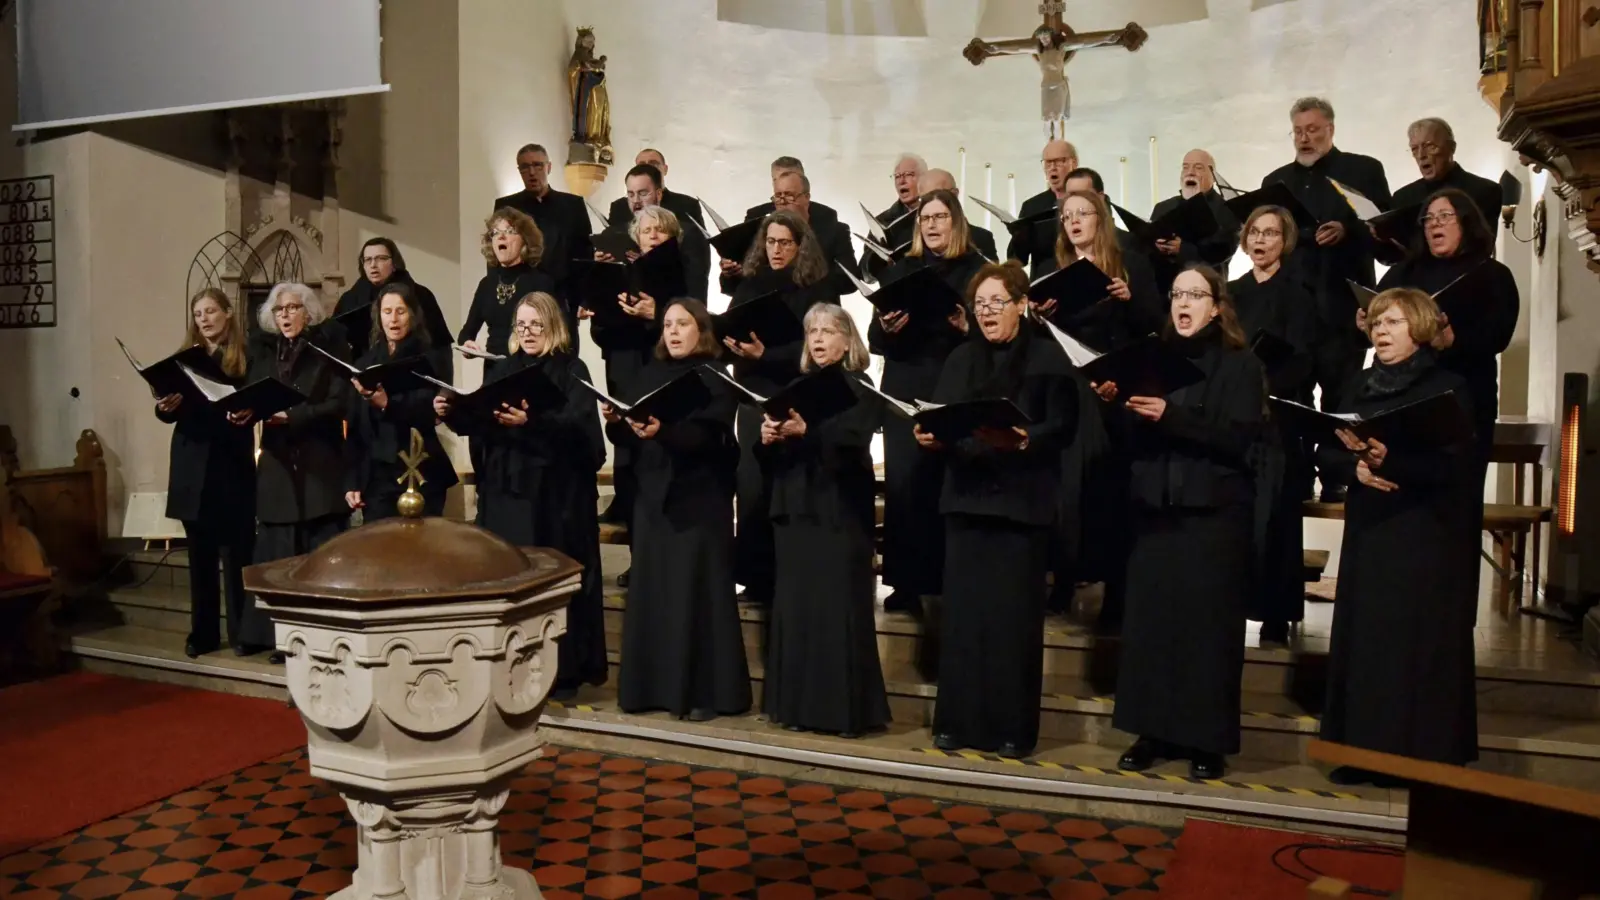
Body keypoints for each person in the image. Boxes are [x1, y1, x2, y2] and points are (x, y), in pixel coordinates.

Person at [1101, 265, 1262, 780]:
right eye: (1176, 294)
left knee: (1206, 633)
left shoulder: (1240, 365)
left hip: (1212, 514)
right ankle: (1151, 732)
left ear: (1217, 306)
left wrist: (1170, 417)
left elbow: (1236, 438)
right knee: (1152, 629)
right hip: (1155, 511)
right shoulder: (1153, 362)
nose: (1183, 303)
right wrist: (1114, 406)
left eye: (1195, 294)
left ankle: (1205, 742)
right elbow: (1128, 444)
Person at [916, 261, 1078, 758]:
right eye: (979, 304)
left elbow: (1066, 427)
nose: (986, 313)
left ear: (1022, 305)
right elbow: (941, 416)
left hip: (1019, 507)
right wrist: (927, 434)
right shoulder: (961, 360)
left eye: (995, 303)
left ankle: (1011, 728)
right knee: (964, 620)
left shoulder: (1050, 359)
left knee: (1012, 623)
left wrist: (1025, 436)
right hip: (967, 502)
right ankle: (958, 722)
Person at [1319, 288, 1479, 781]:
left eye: (1393, 323)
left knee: (1414, 644)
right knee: (1366, 641)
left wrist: (1394, 462)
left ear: (1420, 328)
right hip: (1371, 529)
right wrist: (1353, 469)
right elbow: (1326, 452)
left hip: (1424, 533)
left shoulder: (1449, 386)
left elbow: (1459, 468)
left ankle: (1419, 758)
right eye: (1377, 324)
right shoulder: (1358, 385)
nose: (1381, 332)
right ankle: (1363, 752)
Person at [437, 292, 609, 700]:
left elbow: (583, 436)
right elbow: (482, 423)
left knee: (549, 582)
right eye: (521, 325)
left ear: (553, 327)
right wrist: (455, 412)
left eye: (536, 325)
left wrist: (532, 422)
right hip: (507, 495)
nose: (528, 332)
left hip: (556, 501)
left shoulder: (572, 369)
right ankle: (507, 666)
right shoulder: (503, 370)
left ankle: (560, 672)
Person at [603, 298, 750, 720]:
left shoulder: (716, 376)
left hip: (700, 499)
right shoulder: (648, 374)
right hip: (653, 496)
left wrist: (663, 431)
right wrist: (617, 422)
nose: (673, 331)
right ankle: (648, 689)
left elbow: (713, 437)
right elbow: (630, 437)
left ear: (700, 330)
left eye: (682, 323)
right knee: (656, 592)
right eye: (667, 324)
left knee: (696, 593)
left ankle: (705, 692)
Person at [758, 303, 889, 736]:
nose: (817, 338)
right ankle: (797, 708)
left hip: (838, 512)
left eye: (828, 331)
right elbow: (772, 457)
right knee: (797, 610)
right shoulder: (795, 387)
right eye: (811, 330)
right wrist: (768, 438)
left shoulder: (861, 387)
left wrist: (806, 433)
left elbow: (853, 439)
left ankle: (843, 712)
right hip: (796, 509)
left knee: (837, 611)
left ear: (848, 340)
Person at [869, 188, 986, 615]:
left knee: (948, 481)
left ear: (956, 222)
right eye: (926, 219)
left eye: (940, 217)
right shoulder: (902, 270)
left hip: (953, 382)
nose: (932, 225)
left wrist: (965, 325)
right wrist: (888, 326)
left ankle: (951, 575)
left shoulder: (976, 270)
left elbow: (988, 335)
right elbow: (873, 340)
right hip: (905, 384)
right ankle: (907, 582)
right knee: (905, 485)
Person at [1262, 97, 1391, 473]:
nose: (1305, 138)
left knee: (1342, 397)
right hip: (1291, 310)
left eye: (1313, 130)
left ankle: (1339, 476)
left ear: (1331, 130)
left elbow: (1385, 230)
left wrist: (1347, 229)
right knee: (1290, 397)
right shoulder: (1277, 181)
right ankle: (1295, 475)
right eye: (1298, 131)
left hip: (1342, 309)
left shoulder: (1363, 170)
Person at [723, 210, 842, 606]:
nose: (776, 250)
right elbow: (731, 332)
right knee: (753, 489)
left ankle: (791, 577)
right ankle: (756, 578)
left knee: (788, 489)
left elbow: (819, 347)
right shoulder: (749, 285)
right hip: (755, 399)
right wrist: (736, 347)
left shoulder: (816, 286)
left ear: (800, 245)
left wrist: (766, 353)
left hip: (798, 396)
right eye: (770, 242)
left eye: (785, 243)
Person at [240, 283, 353, 662]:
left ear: (309, 313)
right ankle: (277, 637)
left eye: (293, 308)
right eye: (279, 310)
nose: (285, 316)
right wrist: (244, 411)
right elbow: (250, 393)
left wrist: (294, 415)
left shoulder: (327, 351)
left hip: (318, 463)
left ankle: (320, 636)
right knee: (277, 553)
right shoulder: (264, 354)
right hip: (276, 464)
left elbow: (340, 402)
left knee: (314, 554)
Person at [1375, 188, 1519, 471]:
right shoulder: (1404, 273)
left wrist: (1454, 341)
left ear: (1466, 222)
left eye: (1444, 216)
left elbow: (1499, 335)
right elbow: (1374, 315)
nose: (1435, 224)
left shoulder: (1492, 274)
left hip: (1464, 397)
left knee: (1458, 493)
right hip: (1399, 395)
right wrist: (1365, 323)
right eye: (1428, 219)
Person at [1229, 206, 1321, 645]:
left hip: (1278, 418)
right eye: (1254, 232)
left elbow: (1304, 358)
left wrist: (1265, 387)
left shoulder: (1298, 295)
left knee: (1277, 518)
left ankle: (1276, 615)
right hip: (1236, 419)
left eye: (1270, 233)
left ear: (1285, 241)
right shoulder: (1229, 293)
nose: (1260, 239)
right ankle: (1231, 603)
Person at [154, 288, 257, 659]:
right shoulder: (184, 361)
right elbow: (168, 411)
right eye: (198, 314)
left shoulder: (245, 357)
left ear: (227, 314)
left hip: (230, 463)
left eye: (211, 311)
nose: (205, 319)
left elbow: (255, 403)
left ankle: (243, 633)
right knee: (199, 557)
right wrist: (164, 406)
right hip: (191, 464)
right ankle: (203, 634)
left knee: (235, 554)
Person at [586, 205, 686, 550]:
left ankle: (660, 551)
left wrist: (653, 314)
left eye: (660, 230)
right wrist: (604, 314)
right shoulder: (620, 273)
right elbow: (599, 332)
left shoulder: (682, 273)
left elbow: (691, 329)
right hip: (623, 370)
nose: (653, 236)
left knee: (657, 458)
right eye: (646, 231)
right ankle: (637, 555)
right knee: (628, 459)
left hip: (660, 373)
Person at [343, 281, 458, 521]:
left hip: (422, 470)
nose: (393, 319)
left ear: (412, 316)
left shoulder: (429, 358)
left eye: (400, 311)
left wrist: (388, 404)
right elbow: (355, 428)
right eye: (387, 312)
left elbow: (432, 408)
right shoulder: (365, 364)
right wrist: (352, 481)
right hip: (377, 477)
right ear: (379, 317)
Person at [492, 143, 593, 342]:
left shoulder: (573, 205)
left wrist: (585, 298)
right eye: (525, 167)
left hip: (562, 297)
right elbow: (496, 255)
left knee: (564, 358)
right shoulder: (507, 206)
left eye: (538, 165)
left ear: (549, 167)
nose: (532, 172)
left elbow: (585, 255)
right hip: (521, 296)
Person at [1043, 189, 1163, 351]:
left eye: (1082, 214)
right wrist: (1041, 317)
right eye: (1067, 216)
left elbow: (1155, 325)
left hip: (1121, 360)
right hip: (1070, 366)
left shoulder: (1132, 263)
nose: (1074, 221)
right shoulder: (1050, 269)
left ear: (1099, 219)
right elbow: (1042, 341)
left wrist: (1128, 300)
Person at [1379, 118, 1503, 263]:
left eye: (1430, 146)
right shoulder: (1403, 197)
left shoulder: (1484, 190)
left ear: (1451, 148)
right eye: (1414, 149)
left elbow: (1482, 248)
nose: (1421, 155)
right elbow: (1391, 259)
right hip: (1415, 282)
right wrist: (1381, 238)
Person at [721, 169, 860, 297]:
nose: (782, 202)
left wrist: (806, 281)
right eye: (778, 196)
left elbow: (849, 281)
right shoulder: (761, 231)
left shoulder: (834, 231)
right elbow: (736, 286)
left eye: (789, 196)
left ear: (806, 197)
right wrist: (732, 273)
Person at [458, 209, 557, 371]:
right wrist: (467, 344)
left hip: (528, 368)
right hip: (493, 370)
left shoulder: (541, 282)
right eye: (495, 233)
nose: (501, 237)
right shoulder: (487, 284)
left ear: (525, 241)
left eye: (510, 231)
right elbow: (466, 333)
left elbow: (555, 333)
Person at [598, 163, 710, 298]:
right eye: (631, 194)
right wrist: (596, 267)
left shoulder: (687, 233)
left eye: (643, 193)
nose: (636, 201)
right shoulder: (613, 234)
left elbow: (696, 289)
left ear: (659, 194)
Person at [331, 237, 452, 356]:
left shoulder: (420, 295)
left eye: (381, 259)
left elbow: (440, 346)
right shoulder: (350, 299)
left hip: (412, 367)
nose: (373, 265)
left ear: (394, 263)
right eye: (368, 260)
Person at [1148, 149, 1242, 291]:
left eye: (1198, 167)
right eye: (1185, 167)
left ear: (1213, 175)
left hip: (1207, 290)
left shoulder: (1228, 210)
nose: (1190, 172)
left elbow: (1222, 252)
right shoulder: (1163, 208)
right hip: (1164, 294)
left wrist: (1182, 249)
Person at [1009, 139, 1080, 277]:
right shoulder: (1032, 206)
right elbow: (1017, 260)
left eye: (1059, 161)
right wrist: (1019, 236)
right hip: (1043, 285)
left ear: (1074, 163)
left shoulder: (1089, 201)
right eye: (1048, 163)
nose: (1052, 167)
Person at [860, 152, 927, 281]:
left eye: (908, 175)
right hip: (894, 293)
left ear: (924, 178)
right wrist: (877, 258)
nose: (902, 181)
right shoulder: (883, 221)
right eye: (897, 176)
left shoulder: (938, 215)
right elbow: (865, 275)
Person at [605, 148, 705, 229]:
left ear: (665, 169)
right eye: (642, 164)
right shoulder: (619, 207)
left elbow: (700, 246)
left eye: (654, 163)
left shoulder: (688, 205)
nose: (648, 167)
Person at [918, 168, 999, 262]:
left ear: (955, 194)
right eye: (924, 199)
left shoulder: (980, 239)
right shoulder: (911, 245)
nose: (931, 203)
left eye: (939, 196)